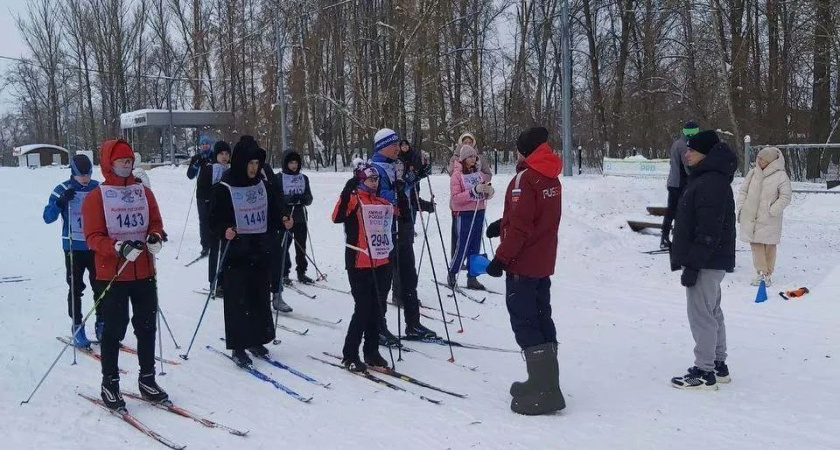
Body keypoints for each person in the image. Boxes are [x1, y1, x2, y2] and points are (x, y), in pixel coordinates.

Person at [484, 126, 565, 415]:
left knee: (525, 321)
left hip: (524, 263)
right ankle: (544, 381)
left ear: (525, 149)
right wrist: (502, 224)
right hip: (542, 261)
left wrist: (500, 260)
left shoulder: (525, 178)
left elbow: (521, 226)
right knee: (542, 317)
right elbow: (533, 217)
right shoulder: (550, 175)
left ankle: (547, 391)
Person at [82, 139, 168, 410]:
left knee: (146, 326)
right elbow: (92, 237)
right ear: (110, 163)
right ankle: (110, 383)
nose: (127, 165)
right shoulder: (97, 196)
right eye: (121, 161)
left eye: (130, 161)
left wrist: (155, 236)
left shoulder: (143, 193)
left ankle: (147, 379)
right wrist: (117, 247)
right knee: (114, 330)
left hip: (143, 270)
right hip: (113, 274)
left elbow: (155, 221)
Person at [209, 136, 291, 367]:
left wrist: (283, 219)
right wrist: (225, 229)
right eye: (250, 164)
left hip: (260, 248)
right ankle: (238, 345)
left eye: (257, 164)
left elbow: (273, 209)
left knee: (259, 295)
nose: (254, 168)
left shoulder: (262, 185)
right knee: (238, 299)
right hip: (236, 252)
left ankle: (257, 338)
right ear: (241, 162)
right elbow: (214, 218)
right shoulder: (225, 186)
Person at [669, 130, 737, 390]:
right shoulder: (707, 178)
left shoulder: (710, 183)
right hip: (710, 259)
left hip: (706, 261)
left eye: (692, 151)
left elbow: (709, 230)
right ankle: (718, 364)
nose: (686, 154)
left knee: (701, 315)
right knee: (712, 311)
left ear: (705, 154)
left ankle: (704, 371)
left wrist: (694, 264)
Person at [370, 128, 437, 344]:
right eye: (393, 145)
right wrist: (397, 190)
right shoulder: (374, 168)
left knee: (409, 277)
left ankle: (413, 323)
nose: (398, 148)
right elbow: (375, 198)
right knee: (384, 281)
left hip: (404, 226)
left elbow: (403, 188)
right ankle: (378, 327)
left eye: (398, 144)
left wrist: (415, 176)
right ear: (383, 146)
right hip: (384, 232)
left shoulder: (395, 165)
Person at [332, 161, 392, 371]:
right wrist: (347, 191)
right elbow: (336, 217)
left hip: (381, 260)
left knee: (378, 308)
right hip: (359, 261)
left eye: (377, 179)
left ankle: (372, 350)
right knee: (363, 308)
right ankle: (350, 354)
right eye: (370, 179)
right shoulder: (355, 198)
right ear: (361, 179)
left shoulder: (381, 201)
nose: (374, 183)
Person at [43, 154, 102, 347]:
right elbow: (48, 217)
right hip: (72, 246)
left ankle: (102, 323)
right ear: (72, 173)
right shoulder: (62, 189)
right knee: (76, 288)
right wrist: (60, 202)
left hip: (94, 245)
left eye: (88, 174)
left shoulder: (97, 187)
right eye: (81, 176)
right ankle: (77, 325)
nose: (85, 179)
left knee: (100, 285)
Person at [737, 146, 791, 287]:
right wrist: (742, 207)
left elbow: (785, 196)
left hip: (769, 218)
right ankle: (761, 272)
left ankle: (768, 273)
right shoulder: (753, 173)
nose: (759, 161)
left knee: (769, 246)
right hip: (751, 215)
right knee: (755, 244)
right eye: (759, 158)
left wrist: (772, 210)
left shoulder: (781, 176)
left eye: (763, 159)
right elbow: (743, 191)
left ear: (771, 161)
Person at [392, 139, 434, 308]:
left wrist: (428, 206)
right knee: (398, 263)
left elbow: (413, 200)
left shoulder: (408, 181)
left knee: (408, 265)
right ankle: (398, 294)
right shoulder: (393, 181)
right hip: (396, 226)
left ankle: (408, 295)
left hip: (407, 226)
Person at [448, 144, 493, 290]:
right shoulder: (457, 175)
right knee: (463, 245)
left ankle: (472, 278)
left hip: (479, 211)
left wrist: (488, 192)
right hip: (464, 213)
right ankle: (452, 273)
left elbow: (483, 190)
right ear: (464, 158)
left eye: (475, 156)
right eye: (470, 156)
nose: (474, 159)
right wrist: (473, 191)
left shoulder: (478, 174)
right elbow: (455, 198)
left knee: (475, 245)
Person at [197, 141, 232, 295]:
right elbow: (201, 193)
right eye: (221, 154)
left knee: (226, 249)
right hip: (212, 215)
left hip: (227, 216)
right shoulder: (209, 169)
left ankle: (224, 281)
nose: (224, 157)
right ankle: (213, 281)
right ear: (216, 155)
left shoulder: (232, 170)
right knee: (214, 249)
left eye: (226, 154)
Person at [277, 149, 315, 284]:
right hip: (286, 217)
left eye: (296, 163)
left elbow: (309, 198)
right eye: (291, 163)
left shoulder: (303, 178)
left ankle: (301, 272)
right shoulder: (279, 177)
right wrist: (289, 198)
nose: (294, 165)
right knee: (284, 246)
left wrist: (303, 198)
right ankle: (284, 273)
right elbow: (277, 198)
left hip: (300, 217)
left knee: (301, 247)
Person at [661, 121, 699, 249]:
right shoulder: (684, 146)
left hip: (674, 182)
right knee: (679, 212)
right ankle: (673, 239)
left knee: (672, 211)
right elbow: (687, 166)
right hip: (680, 183)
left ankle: (666, 237)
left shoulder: (677, 143)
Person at [188, 135, 215, 256]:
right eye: (203, 144)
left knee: (213, 218)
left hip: (214, 192)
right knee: (203, 220)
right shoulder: (196, 158)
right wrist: (196, 165)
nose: (205, 146)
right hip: (201, 194)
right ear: (200, 146)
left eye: (207, 144)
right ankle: (205, 245)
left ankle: (215, 243)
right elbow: (190, 175)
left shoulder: (214, 157)